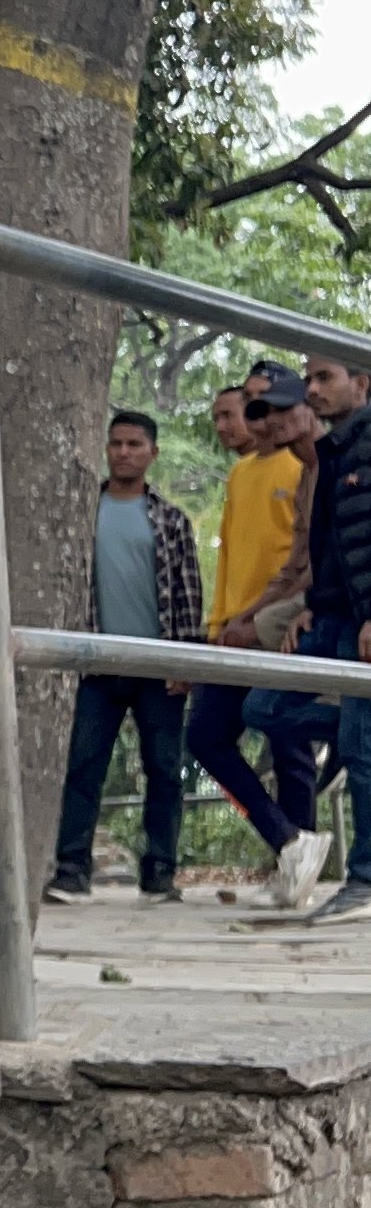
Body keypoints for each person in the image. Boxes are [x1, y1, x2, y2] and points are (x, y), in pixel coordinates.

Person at [46, 410, 204, 905]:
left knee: (163, 769)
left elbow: (188, 596)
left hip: (157, 667)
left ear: (152, 453)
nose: (124, 452)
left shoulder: (171, 519)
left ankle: (160, 873)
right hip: (95, 662)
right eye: (116, 443)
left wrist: (186, 662)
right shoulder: (80, 512)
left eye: (135, 444)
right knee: (84, 766)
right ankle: (72, 870)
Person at [185, 363, 326, 909]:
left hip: (282, 626)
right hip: (237, 629)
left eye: (269, 404)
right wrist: (220, 625)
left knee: (287, 744)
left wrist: (284, 612)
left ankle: (297, 872)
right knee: (205, 737)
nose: (259, 415)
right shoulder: (242, 474)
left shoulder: (309, 463)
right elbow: (231, 563)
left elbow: (311, 560)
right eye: (252, 405)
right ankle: (291, 843)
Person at [243, 344, 371, 922]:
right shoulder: (332, 451)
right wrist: (310, 606)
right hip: (332, 616)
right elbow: (332, 548)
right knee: (266, 706)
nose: (312, 389)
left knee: (359, 748)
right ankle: (354, 734)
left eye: (325, 377)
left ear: (361, 384)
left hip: (363, 619)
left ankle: (365, 881)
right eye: (310, 378)